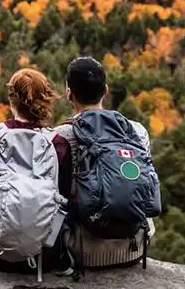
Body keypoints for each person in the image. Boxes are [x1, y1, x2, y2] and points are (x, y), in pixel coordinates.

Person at [54, 56, 159, 274]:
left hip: (82, 253)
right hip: (134, 249)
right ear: (106, 91)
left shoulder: (60, 136)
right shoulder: (137, 131)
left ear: (69, 94)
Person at [0, 68, 71, 275]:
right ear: (45, 101)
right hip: (45, 255)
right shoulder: (58, 144)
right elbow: (65, 202)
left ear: (11, 101)